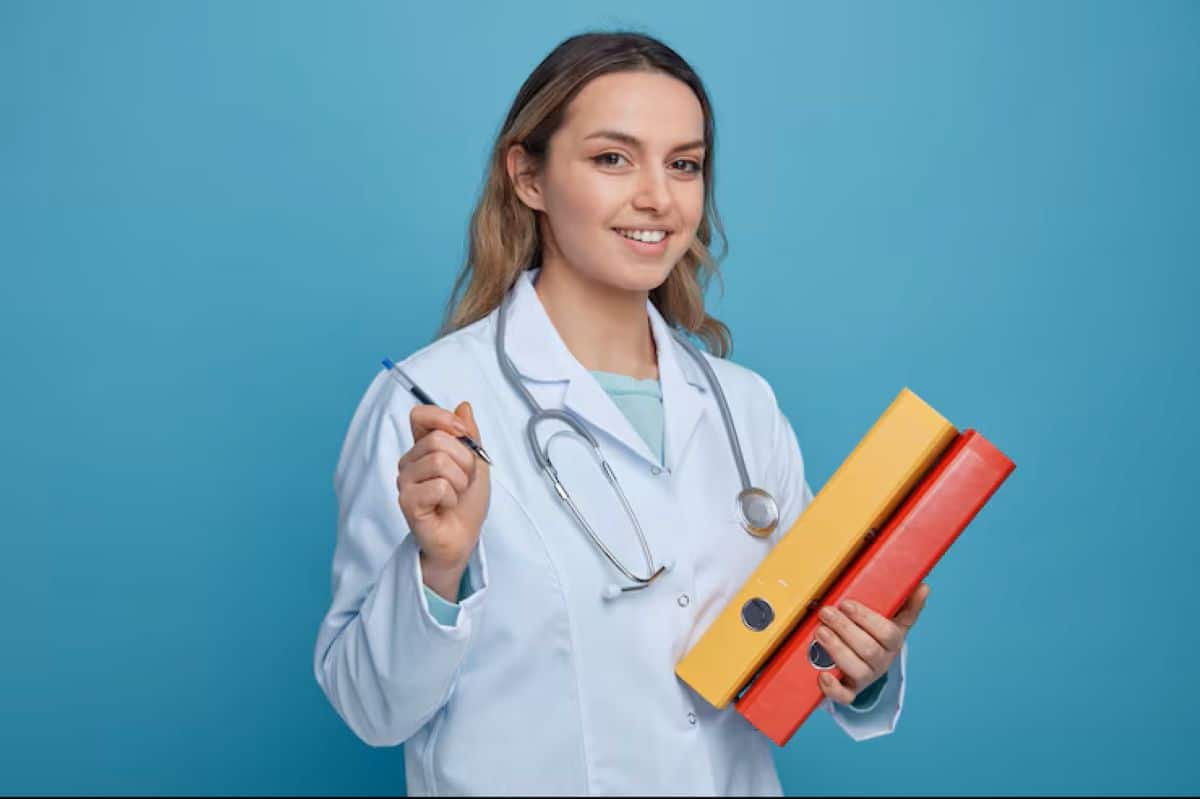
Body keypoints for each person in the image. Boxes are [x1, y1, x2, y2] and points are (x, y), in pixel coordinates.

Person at [312, 30, 930, 796]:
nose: (658, 198)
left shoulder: (743, 406)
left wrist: (864, 665)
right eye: (613, 158)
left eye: (684, 164)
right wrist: (436, 569)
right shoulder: (431, 402)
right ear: (528, 176)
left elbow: (797, 651)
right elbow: (370, 709)